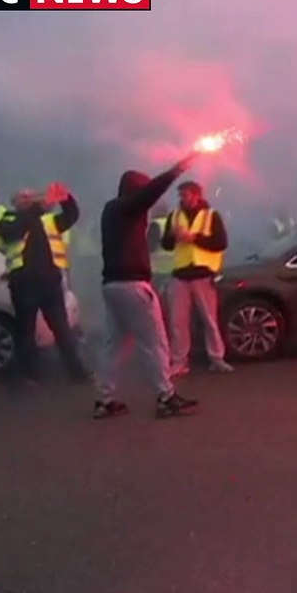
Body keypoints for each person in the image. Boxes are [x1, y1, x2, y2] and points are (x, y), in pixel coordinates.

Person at [93, 157, 200, 420]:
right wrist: (176, 170)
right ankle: (166, 397)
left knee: (114, 345)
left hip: (113, 285)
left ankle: (105, 401)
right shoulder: (126, 208)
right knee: (155, 342)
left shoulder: (113, 209)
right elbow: (150, 193)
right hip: (132, 285)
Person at [0, 183, 90, 384]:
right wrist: (38, 208)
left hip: (49, 281)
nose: (29, 199)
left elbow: (71, 216)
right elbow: (14, 231)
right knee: (26, 331)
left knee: (62, 329)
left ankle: (76, 371)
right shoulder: (8, 219)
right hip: (24, 283)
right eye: (23, 197)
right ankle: (29, 375)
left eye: (31, 196)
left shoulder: (47, 220)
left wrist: (65, 196)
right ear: (14, 203)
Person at [161, 180, 233, 376]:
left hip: (203, 274)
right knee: (178, 322)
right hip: (180, 275)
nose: (182, 199)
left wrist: (195, 238)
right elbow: (166, 245)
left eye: (185, 194)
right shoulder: (174, 217)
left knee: (209, 320)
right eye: (180, 195)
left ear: (197, 195)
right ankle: (179, 362)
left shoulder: (211, 216)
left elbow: (221, 243)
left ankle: (217, 358)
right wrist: (173, 235)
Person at [149, 201, 175, 296]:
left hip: (157, 270)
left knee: (154, 298)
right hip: (174, 269)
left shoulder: (155, 225)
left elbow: (150, 246)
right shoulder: (173, 223)